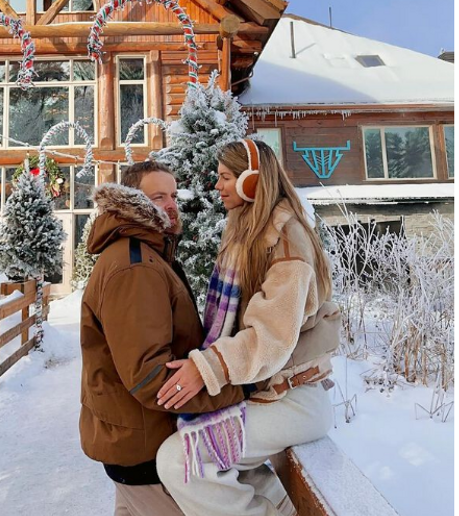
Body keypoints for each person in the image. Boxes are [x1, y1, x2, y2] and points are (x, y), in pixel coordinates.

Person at [154, 138, 340, 516]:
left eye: (225, 177)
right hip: (269, 391)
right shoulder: (246, 232)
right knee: (218, 463)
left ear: (252, 181)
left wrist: (209, 367)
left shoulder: (287, 239)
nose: (218, 186)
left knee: (179, 461)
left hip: (295, 398)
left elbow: (271, 339)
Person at [80, 161, 246, 516]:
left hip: (137, 443)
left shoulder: (149, 255)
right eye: (158, 196)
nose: (170, 204)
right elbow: (151, 378)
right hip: (146, 452)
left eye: (173, 195)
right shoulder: (135, 267)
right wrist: (240, 388)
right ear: (132, 202)